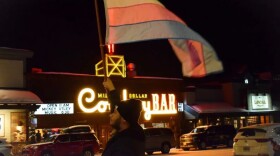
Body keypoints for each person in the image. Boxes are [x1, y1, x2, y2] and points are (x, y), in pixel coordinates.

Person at [102, 78, 145, 156]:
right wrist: (111, 89)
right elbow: (119, 109)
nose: (110, 115)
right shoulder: (130, 136)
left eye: (114, 113)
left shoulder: (124, 146)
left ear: (124, 120)